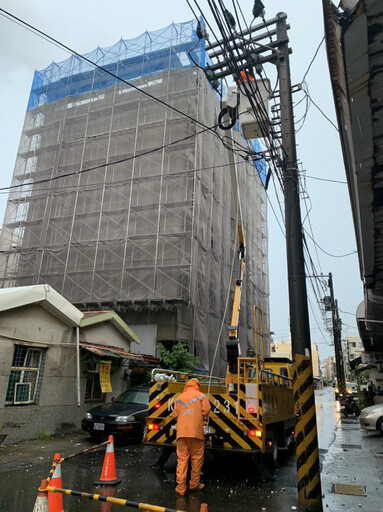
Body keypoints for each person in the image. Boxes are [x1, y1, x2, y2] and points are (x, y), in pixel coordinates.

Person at [173, 378, 211, 496]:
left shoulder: (179, 398)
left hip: (182, 434)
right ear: (197, 386)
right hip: (196, 433)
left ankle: (181, 488)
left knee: (182, 459)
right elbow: (206, 411)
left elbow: (175, 415)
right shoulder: (201, 396)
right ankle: (194, 485)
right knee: (196, 459)